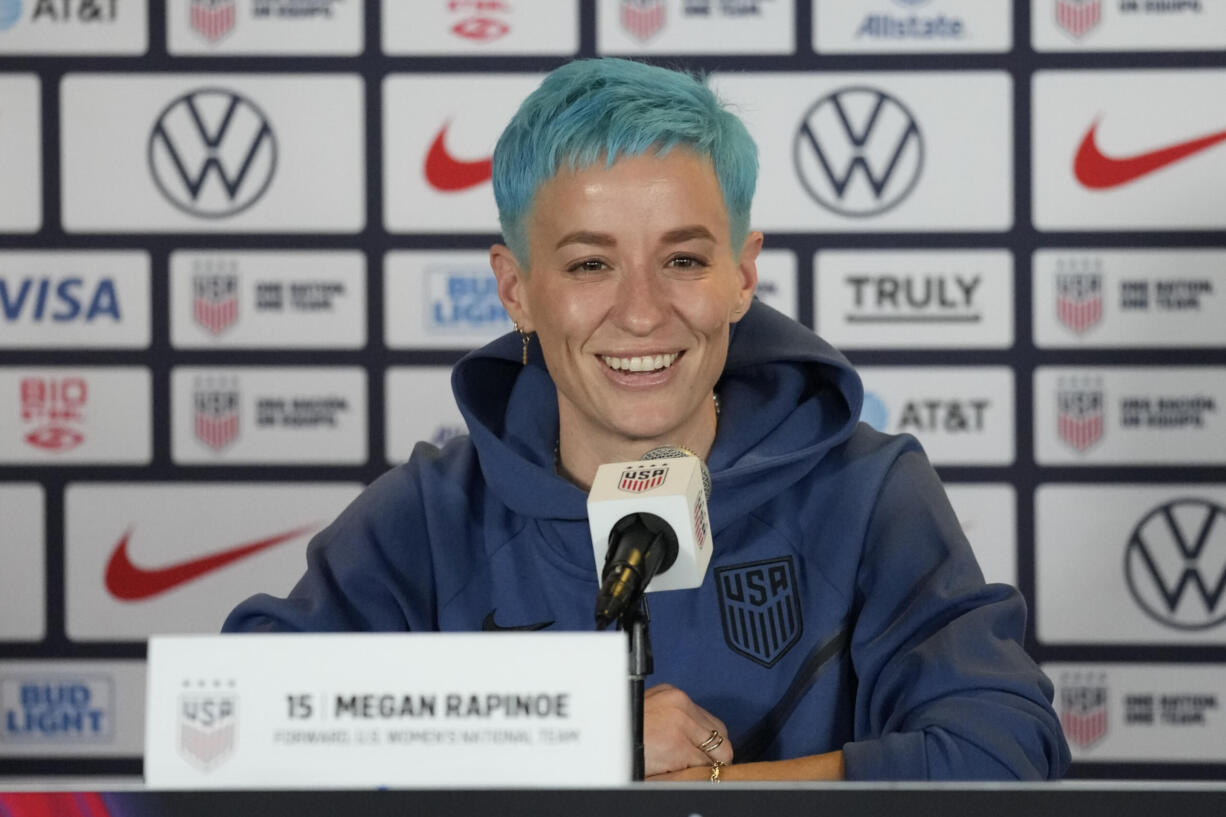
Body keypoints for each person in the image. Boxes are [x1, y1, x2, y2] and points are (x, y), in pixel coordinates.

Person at [225, 58, 1070, 782]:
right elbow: (235, 723)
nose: (640, 312)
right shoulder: (434, 513)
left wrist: (705, 787)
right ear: (515, 289)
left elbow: (1003, 749)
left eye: (683, 259)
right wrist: (569, 734)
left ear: (742, 275)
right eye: (591, 262)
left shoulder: (864, 490)